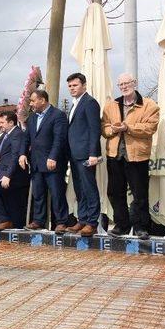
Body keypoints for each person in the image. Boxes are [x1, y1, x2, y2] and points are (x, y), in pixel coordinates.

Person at [102, 73, 159, 240]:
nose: (124, 86)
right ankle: (122, 225)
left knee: (139, 194)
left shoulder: (149, 105)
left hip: (137, 156)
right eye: (121, 84)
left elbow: (150, 128)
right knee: (114, 192)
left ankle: (141, 227)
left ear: (134, 83)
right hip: (114, 155)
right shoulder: (110, 106)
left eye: (127, 83)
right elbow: (103, 128)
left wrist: (128, 127)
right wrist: (112, 129)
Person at [19, 90, 69, 233]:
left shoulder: (58, 115)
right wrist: (22, 154)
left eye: (33, 101)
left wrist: (53, 156)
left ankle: (61, 221)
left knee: (57, 193)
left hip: (52, 162)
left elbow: (59, 139)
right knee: (38, 193)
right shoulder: (32, 118)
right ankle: (38, 220)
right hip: (35, 162)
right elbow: (26, 138)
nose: (32, 104)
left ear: (42, 100)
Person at [66, 73, 101, 237]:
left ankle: (92, 222)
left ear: (84, 85)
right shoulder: (74, 104)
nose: (72, 88)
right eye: (70, 86)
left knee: (89, 188)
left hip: (87, 155)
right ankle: (83, 218)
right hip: (74, 154)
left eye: (75, 85)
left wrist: (93, 153)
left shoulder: (90, 103)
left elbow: (95, 130)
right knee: (79, 189)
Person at [0, 111, 29, 230]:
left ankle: (3, 220)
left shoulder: (17, 134)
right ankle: (14, 225)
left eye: (3, 122)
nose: (1, 124)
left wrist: (8, 175)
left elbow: (15, 156)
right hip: (2, 171)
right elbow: (5, 152)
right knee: (12, 203)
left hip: (11, 175)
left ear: (11, 122)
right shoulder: (6, 134)